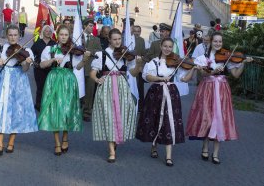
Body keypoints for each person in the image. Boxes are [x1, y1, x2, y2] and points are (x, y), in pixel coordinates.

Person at [182, 32, 253, 165]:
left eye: (220, 41)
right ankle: (204, 146)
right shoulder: (203, 57)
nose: (218, 44)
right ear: (211, 42)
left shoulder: (227, 58)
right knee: (207, 118)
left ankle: (215, 152)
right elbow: (202, 74)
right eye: (215, 41)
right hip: (207, 89)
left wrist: (243, 63)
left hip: (221, 89)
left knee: (220, 118)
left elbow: (236, 75)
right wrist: (213, 71)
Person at [90, 28, 143, 163]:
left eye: (119, 39)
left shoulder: (125, 55)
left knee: (123, 114)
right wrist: (97, 80)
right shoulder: (101, 54)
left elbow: (134, 73)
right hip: (107, 87)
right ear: (109, 40)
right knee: (108, 116)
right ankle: (111, 151)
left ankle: (116, 140)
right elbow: (92, 73)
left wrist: (138, 65)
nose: (117, 41)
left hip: (122, 87)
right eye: (115, 39)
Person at [38, 25, 91, 155]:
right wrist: (53, 59)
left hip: (68, 81)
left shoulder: (73, 50)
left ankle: (65, 138)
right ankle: (57, 142)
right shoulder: (50, 49)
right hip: (54, 79)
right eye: (61, 34)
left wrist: (84, 60)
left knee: (67, 110)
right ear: (57, 35)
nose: (63, 37)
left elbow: (78, 67)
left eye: (66, 35)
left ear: (69, 36)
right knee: (55, 110)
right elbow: (41, 64)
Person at [0, 25, 38, 155]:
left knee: (16, 110)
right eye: (10, 35)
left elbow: (25, 70)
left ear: (19, 36)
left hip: (19, 83)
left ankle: (10, 143)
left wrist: (25, 62)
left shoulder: (25, 51)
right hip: (2, 81)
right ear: (6, 35)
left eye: (15, 35)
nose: (13, 37)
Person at [136, 37, 185, 166]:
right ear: (161, 46)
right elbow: (147, 76)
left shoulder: (176, 62)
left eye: (170, 47)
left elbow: (183, 78)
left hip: (171, 93)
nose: (167, 49)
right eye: (165, 46)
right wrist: (160, 78)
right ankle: (154, 146)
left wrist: (193, 69)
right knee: (156, 118)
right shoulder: (154, 62)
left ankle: (169, 156)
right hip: (156, 93)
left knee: (170, 121)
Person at [31, 25, 56, 111]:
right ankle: (38, 104)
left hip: (51, 69)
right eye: (46, 31)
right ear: (43, 32)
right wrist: (34, 63)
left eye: (50, 31)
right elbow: (31, 54)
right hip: (39, 68)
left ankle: (47, 104)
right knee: (40, 87)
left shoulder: (54, 44)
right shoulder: (37, 42)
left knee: (49, 87)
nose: (48, 32)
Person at [82, 18, 102, 122]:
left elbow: (99, 51)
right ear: (85, 26)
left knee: (89, 90)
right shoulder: (77, 37)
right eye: (90, 25)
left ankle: (87, 112)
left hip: (91, 68)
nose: (91, 27)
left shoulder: (96, 39)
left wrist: (91, 52)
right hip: (79, 68)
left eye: (92, 26)